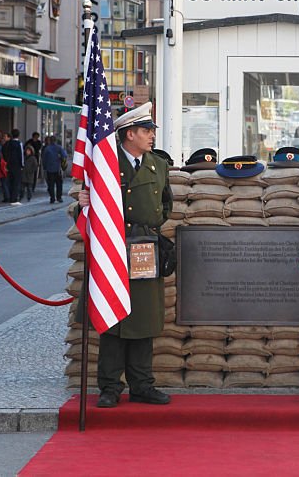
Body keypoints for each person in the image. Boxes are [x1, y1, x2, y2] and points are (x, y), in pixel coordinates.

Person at [78, 102, 172, 408]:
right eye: (146, 131)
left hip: (144, 246)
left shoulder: (158, 165)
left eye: (151, 131)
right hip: (114, 247)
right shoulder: (105, 165)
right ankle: (109, 386)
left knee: (144, 318)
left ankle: (142, 384)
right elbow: (89, 205)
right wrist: (84, 204)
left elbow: (165, 206)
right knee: (113, 316)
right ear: (129, 134)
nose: (151, 137)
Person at [41, 135, 67, 203]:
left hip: (49, 169)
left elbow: (44, 159)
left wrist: (44, 167)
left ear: (50, 141)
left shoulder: (47, 148)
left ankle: (52, 198)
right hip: (58, 169)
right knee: (59, 184)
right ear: (55, 140)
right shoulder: (59, 148)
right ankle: (59, 197)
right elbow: (64, 156)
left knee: (51, 184)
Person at [3, 128, 25, 205]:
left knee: (10, 182)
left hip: (9, 165)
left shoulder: (8, 143)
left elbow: (6, 154)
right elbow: (21, 155)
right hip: (17, 165)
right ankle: (14, 199)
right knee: (16, 182)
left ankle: (10, 197)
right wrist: (22, 165)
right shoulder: (19, 143)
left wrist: (6, 164)